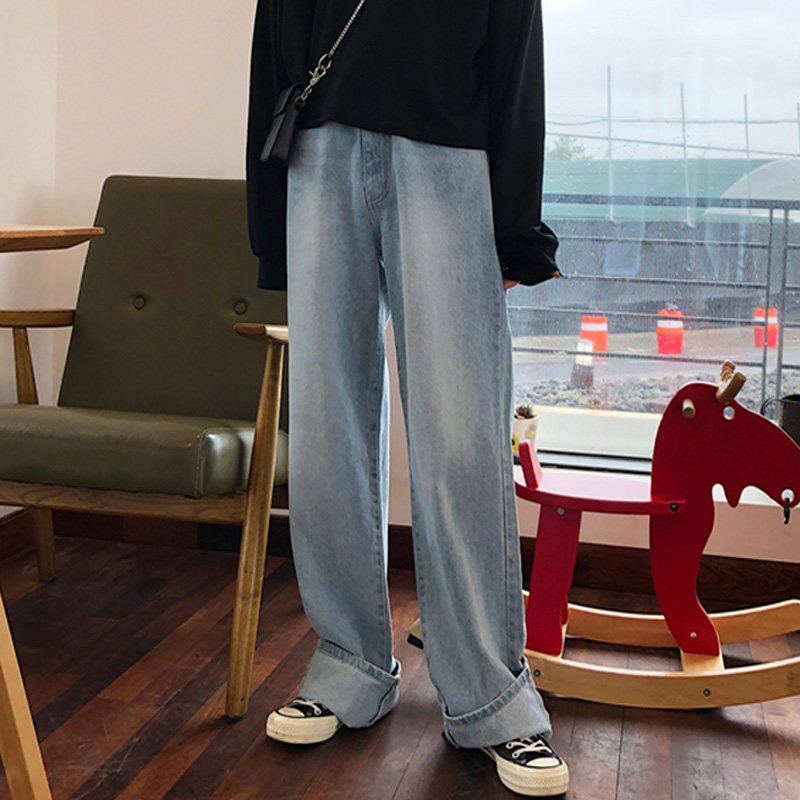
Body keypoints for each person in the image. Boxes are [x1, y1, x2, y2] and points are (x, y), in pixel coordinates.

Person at [245, 0, 566, 795]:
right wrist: (269, 224)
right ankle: (348, 664)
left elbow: (516, 56)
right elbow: (272, 46)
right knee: (326, 429)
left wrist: (515, 228)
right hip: (319, 153)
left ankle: (491, 697)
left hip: (448, 155)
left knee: (460, 431)